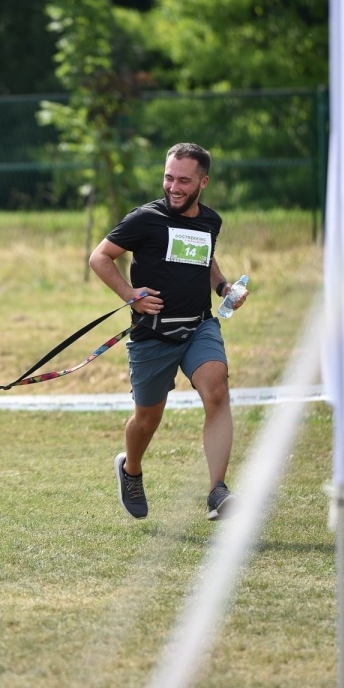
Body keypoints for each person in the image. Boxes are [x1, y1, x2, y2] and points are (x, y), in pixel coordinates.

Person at [88, 142, 248, 522]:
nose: (174, 187)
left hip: (198, 326)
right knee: (148, 417)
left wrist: (224, 288)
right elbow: (100, 257)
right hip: (152, 335)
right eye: (168, 178)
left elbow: (204, 257)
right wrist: (130, 295)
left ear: (203, 182)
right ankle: (130, 469)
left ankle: (217, 492)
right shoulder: (144, 219)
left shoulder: (211, 221)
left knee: (218, 391)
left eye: (184, 181)